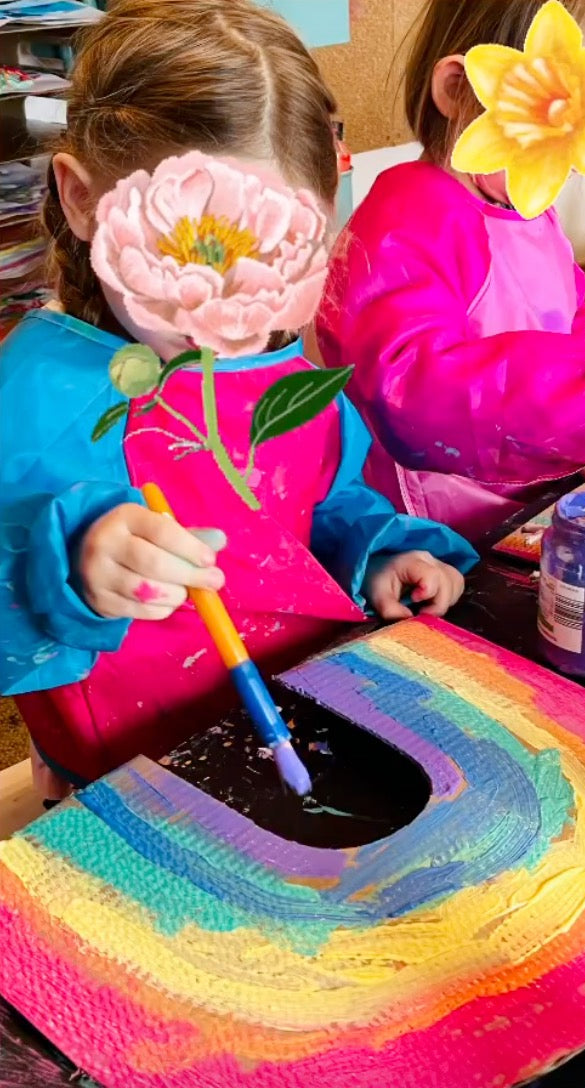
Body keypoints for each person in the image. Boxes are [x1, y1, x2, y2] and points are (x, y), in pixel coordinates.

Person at [0, 0, 476, 798]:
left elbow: (325, 501)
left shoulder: (281, 367)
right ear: (81, 199)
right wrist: (73, 564)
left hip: (292, 718)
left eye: (274, 264)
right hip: (126, 776)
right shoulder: (37, 388)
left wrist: (380, 552)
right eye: (186, 257)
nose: (227, 309)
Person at [316, 0, 585, 541]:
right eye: (555, 129)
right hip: (431, 532)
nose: (574, 163)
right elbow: (415, 396)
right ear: (458, 90)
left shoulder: (524, 208)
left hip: (523, 488)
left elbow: (567, 333)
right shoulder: (406, 221)